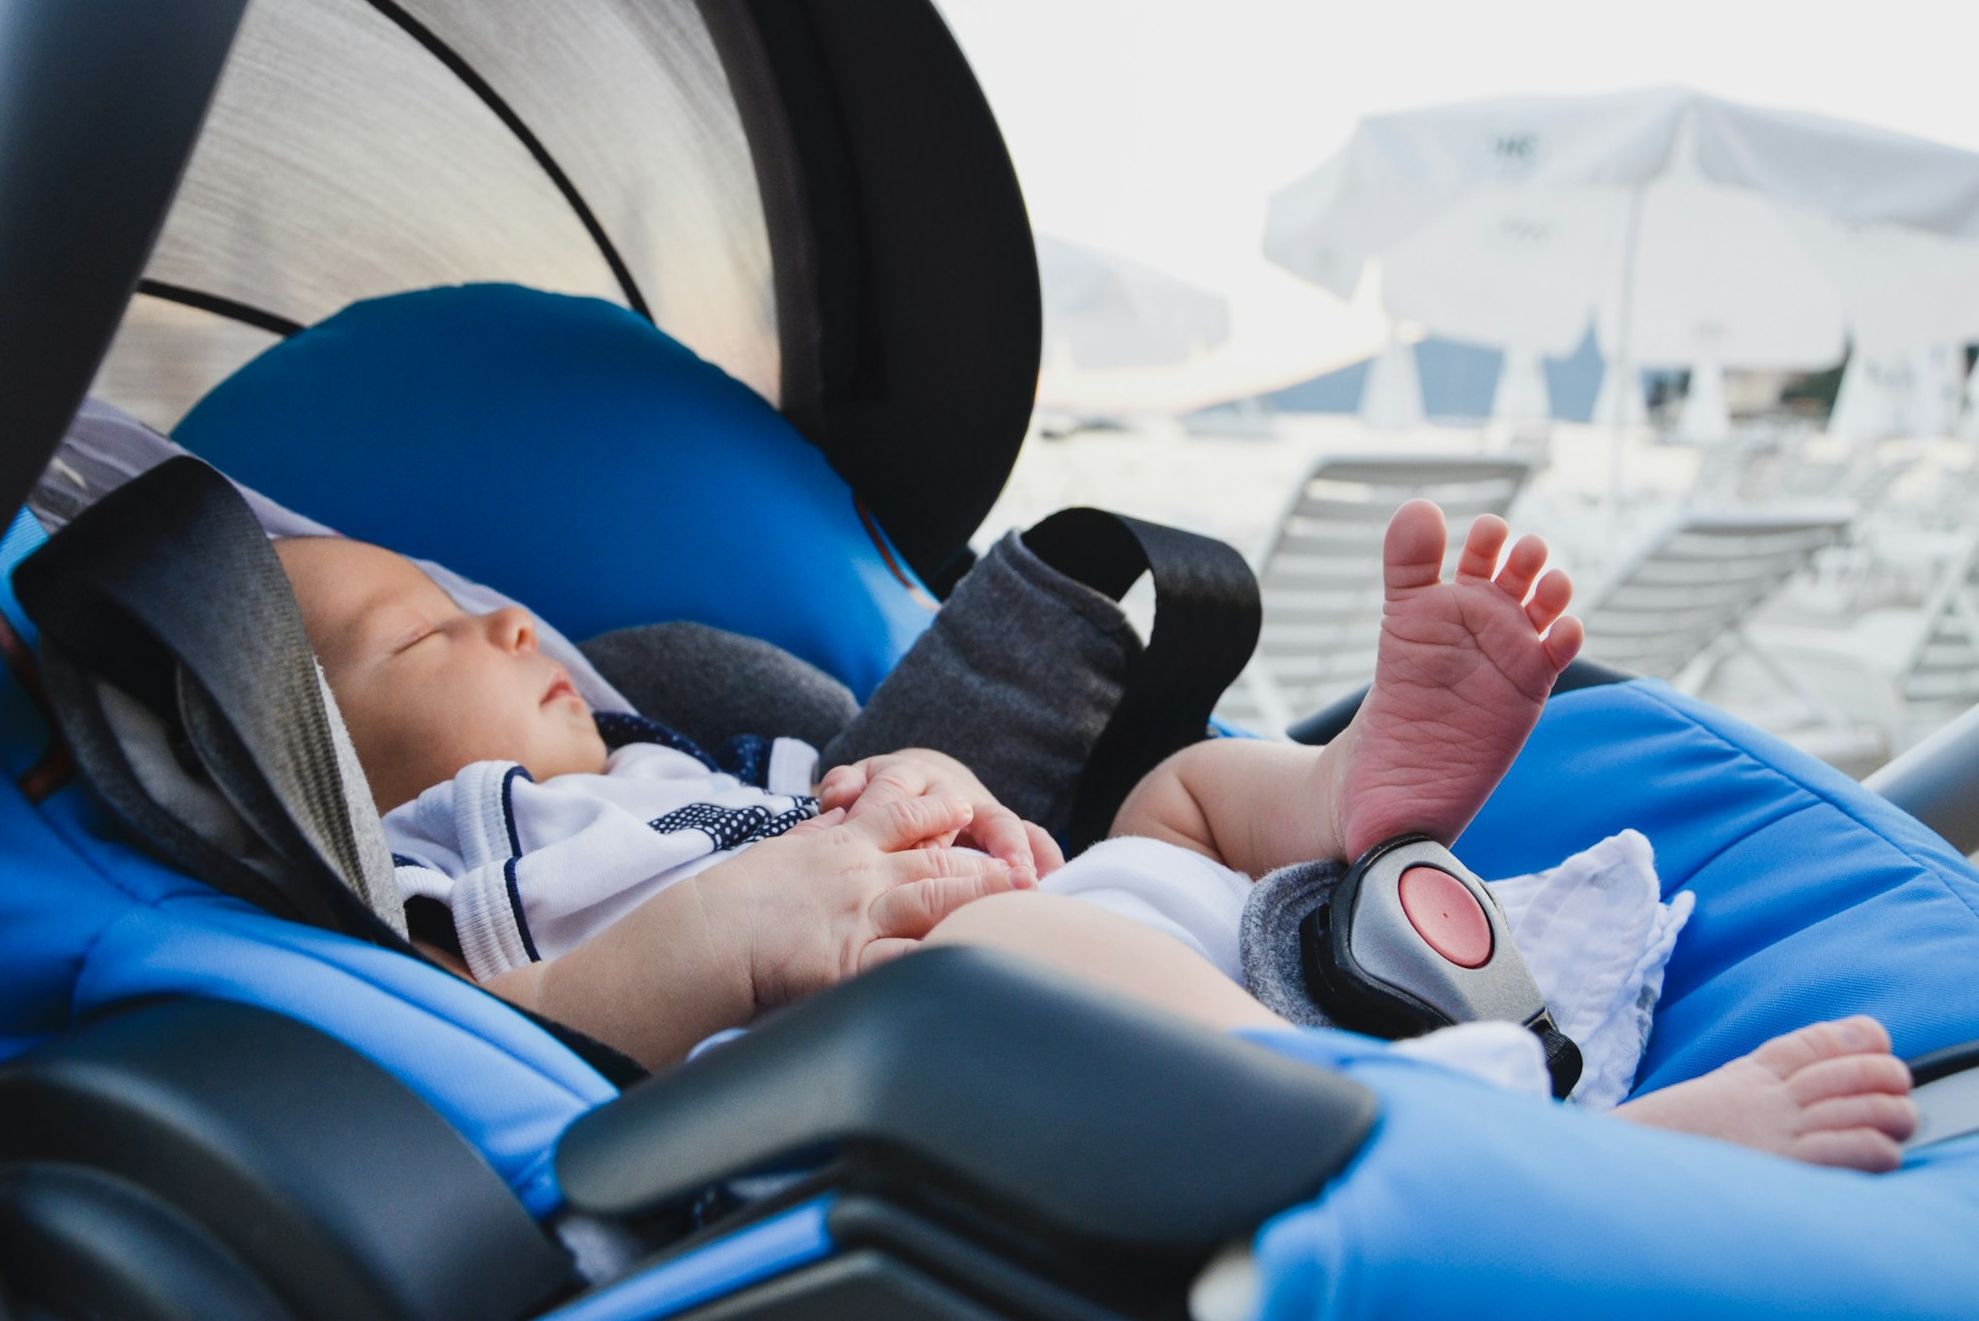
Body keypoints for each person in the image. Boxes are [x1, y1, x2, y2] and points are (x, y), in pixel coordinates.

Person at [276, 500, 1917, 1172]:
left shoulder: (688, 752)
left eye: (480, 610)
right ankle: (1518, 1141)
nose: (505, 631)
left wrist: (922, 792)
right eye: (420, 643)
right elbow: (525, 1039)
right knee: (989, 953)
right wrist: (731, 930)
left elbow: (896, 801)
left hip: (1102, 940)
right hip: (907, 1055)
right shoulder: (453, 857)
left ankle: (1351, 802)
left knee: (1175, 801)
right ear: (322, 760)